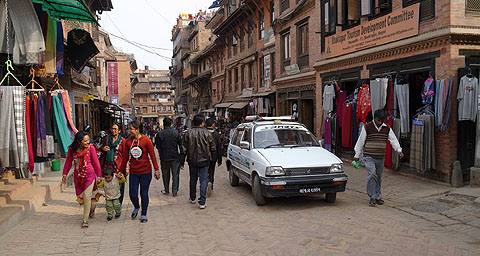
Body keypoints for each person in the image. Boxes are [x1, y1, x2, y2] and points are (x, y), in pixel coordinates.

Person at [354, 109, 404, 207]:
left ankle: (378, 196)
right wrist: (357, 155)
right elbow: (360, 142)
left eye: (382, 120)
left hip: (380, 157)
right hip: (369, 157)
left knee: (378, 177)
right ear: (374, 118)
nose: (380, 122)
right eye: (378, 120)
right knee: (372, 175)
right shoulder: (367, 127)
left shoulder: (387, 128)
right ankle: (372, 197)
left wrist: (399, 150)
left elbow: (393, 140)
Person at [118, 120, 160, 223]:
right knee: (132, 193)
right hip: (134, 172)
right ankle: (136, 206)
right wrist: (120, 171)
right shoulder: (128, 142)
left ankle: (144, 213)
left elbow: (153, 156)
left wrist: (157, 169)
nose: (129, 131)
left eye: (131, 129)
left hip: (145, 171)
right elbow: (125, 158)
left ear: (137, 130)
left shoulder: (146, 141)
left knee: (144, 193)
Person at [62, 131, 102, 228]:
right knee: (83, 198)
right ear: (79, 142)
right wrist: (64, 174)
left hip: (90, 175)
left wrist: (99, 175)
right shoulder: (72, 150)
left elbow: (96, 162)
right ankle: (92, 209)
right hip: (78, 176)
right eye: (85, 141)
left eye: (88, 140)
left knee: (87, 196)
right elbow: (68, 162)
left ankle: (85, 219)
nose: (88, 142)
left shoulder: (91, 148)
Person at [182, 114, 216, 209]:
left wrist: (182, 161)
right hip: (204, 161)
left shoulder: (188, 133)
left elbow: (183, 149)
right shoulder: (207, 133)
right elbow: (213, 148)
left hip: (192, 161)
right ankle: (202, 202)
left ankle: (192, 197)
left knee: (193, 179)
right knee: (203, 180)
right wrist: (212, 158)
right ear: (201, 123)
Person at [155, 117, 184, 197]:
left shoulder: (159, 134)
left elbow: (158, 146)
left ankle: (166, 189)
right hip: (175, 156)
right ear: (171, 123)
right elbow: (181, 146)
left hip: (164, 157)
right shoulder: (176, 133)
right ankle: (175, 191)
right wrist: (182, 159)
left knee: (165, 174)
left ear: (163, 124)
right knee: (175, 174)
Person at [100, 123, 126, 204]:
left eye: (115, 129)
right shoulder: (107, 139)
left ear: (119, 131)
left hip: (119, 166)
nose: (113, 130)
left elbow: (126, 154)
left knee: (120, 185)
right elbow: (101, 148)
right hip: (108, 166)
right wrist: (103, 149)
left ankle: (119, 203)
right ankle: (110, 201)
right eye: (112, 128)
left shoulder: (123, 141)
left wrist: (127, 167)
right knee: (109, 185)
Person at [205, 118, 222, 197]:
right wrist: (219, 159)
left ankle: (205, 184)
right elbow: (219, 147)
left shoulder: (203, 133)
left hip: (204, 157)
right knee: (212, 171)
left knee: (204, 171)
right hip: (213, 157)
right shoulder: (216, 134)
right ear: (212, 125)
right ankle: (211, 185)